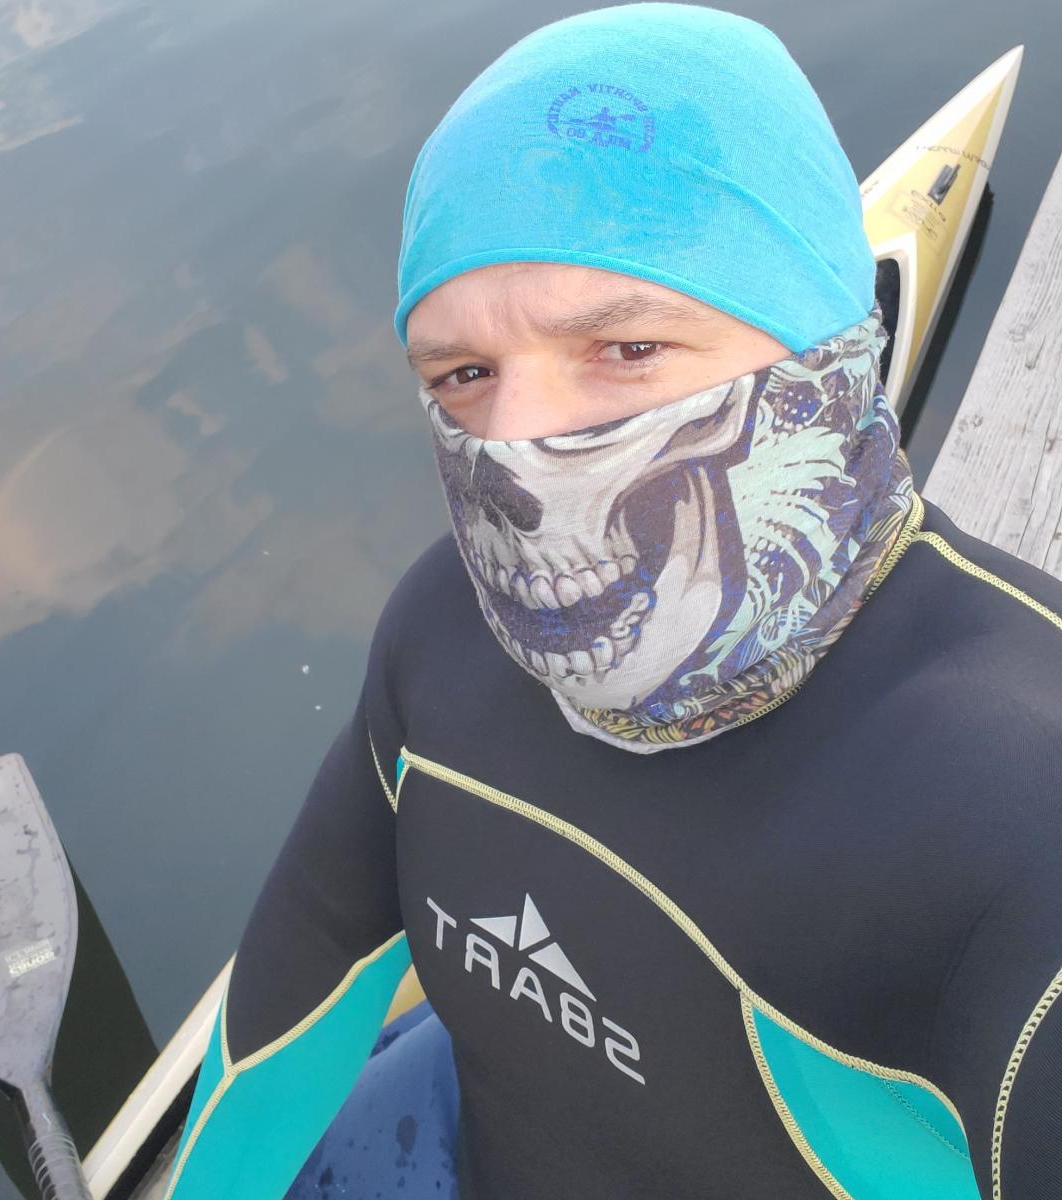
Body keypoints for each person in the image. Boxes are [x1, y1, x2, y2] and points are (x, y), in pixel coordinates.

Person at [165, 5, 1062, 1198]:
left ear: (828, 352)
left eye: (628, 349)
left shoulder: (1020, 804)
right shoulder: (440, 633)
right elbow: (286, 999)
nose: (514, 445)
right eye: (465, 373)